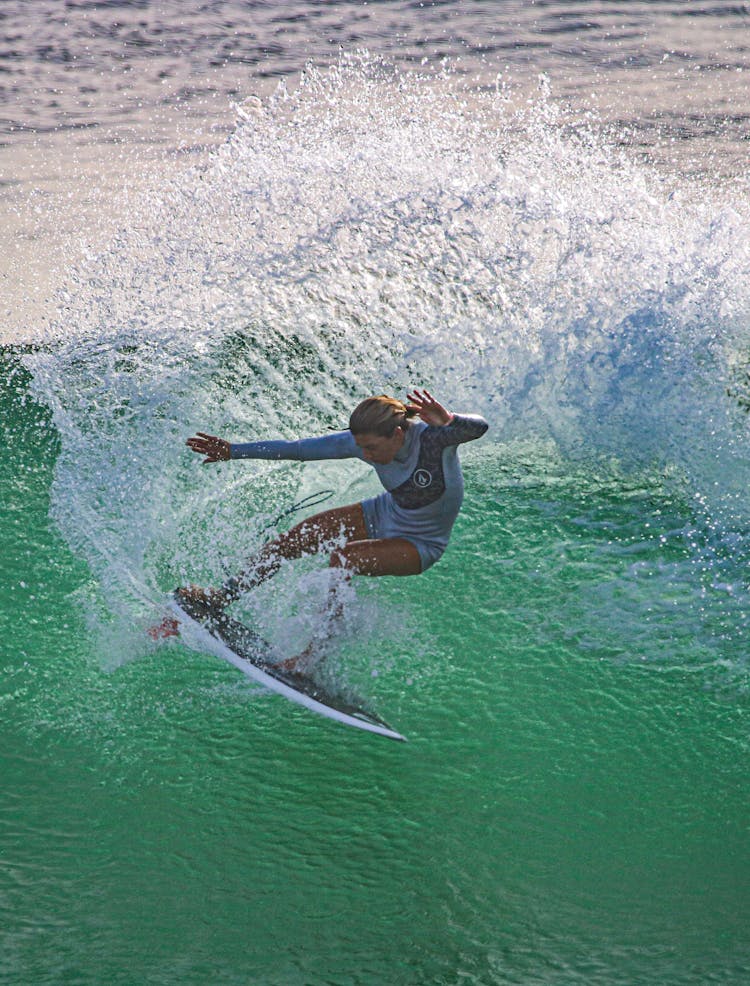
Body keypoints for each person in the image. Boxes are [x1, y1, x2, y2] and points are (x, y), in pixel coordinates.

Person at [165, 390, 488, 664]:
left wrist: (449, 420)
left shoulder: (434, 440)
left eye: (372, 448)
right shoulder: (363, 443)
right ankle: (223, 596)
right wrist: (234, 451)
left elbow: (479, 427)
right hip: (384, 512)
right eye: (361, 447)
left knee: (344, 559)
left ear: (399, 434)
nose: (365, 454)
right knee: (290, 541)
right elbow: (299, 449)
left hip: (421, 542)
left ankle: (312, 658)